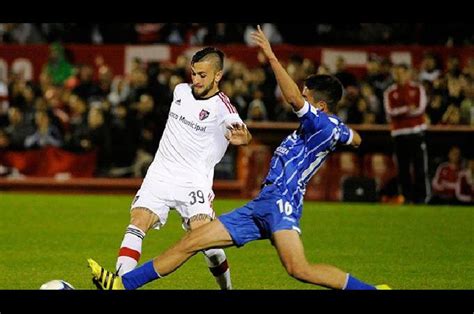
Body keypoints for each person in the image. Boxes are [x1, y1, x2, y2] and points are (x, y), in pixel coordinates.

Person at [88, 26, 390, 290]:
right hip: (262, 202)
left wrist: (271, 57)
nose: (300, 96)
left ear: (320, 106)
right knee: (192, 241)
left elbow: (289, 104)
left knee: (299, 269)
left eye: (307, 95)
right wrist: (350, 135)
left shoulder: (317, 122)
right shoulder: (321, 127)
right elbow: (356, 137)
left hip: (281, 204)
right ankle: (121, 284)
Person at [112, 47, 252, 290]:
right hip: (160, 175)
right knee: (137, 222)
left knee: (206, 242)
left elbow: (239, 128)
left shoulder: (222, 107)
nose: (195, 80)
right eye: (193, 74)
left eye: (202, 75)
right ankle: (119, 285)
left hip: (194, 183)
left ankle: (227, 288)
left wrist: (244, 137)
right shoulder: (180, 91)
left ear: (217, 76)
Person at [383, 63, 431, 204]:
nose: (399, 75)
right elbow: (390, 112)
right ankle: (406, 197)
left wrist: (401, 112)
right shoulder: (390, 92)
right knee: (403, 168)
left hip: (416, 132)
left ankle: (422, 198)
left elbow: (420, 109)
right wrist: (407, 109)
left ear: (408, 73)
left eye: (402, 72)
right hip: (399, 134)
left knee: (420, 167)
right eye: (396, 73)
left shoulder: (418, 89)